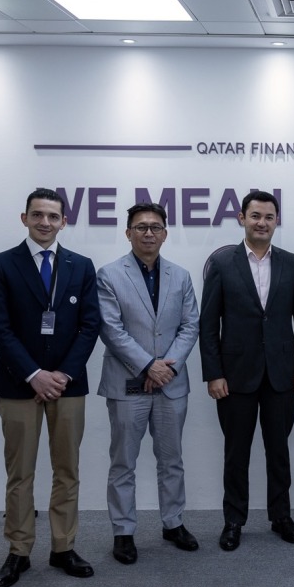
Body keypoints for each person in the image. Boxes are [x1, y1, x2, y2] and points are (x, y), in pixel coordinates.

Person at [0, 187, 100, 587]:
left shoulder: (81, 266)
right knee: (20, 474)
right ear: (24, 218)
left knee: (67, 470)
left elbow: (90, 326)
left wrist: (61, 375)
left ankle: (63, 547)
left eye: (53, 216)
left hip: (68, 385)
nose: (45, 222)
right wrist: (34, 374)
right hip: (19, 385)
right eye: (38, 215)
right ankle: (18, 552)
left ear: (64, 221)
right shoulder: (1, 264)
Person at [200, 191, 294, 552]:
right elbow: (208, 325)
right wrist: (213, 373)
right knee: (237, 452)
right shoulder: (222, 262)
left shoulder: (292, 263)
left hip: (282, 373)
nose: (262, 222)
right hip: (235, 376)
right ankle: (233, 520)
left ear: (276, 221)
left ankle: (281, 516)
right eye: (255, 216)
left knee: (279, 450)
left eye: (268, 216)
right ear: (241, 218)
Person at [97, 202, 200, 565]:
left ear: (165, 234)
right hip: (128, 382)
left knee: (171, 460)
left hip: (171, 383)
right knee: (123, 462)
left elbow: (190, 325)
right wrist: (147, 366)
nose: (148, 233)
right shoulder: (109, 274)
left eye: (156, 227)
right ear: (128, 233)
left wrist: (167, 367)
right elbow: (111, 329)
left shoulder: (181, 276)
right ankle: (123, 531)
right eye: (140, 227)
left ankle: (173, 523)